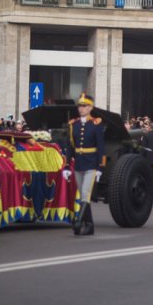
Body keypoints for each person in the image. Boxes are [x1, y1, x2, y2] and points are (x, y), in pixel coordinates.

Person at [66, 93, 105, 236]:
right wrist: (66, 165)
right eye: (80, 106)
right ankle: (89, 225)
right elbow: (70, 146)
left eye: (84, 106)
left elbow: (101, 147)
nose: (81, 109)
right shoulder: (73, 125)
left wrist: (100, 166)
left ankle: (78, 221)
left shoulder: (96, 124)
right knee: (83, 195)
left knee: (85, 193)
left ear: (91, 108)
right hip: (79, 164)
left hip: (91, 164)